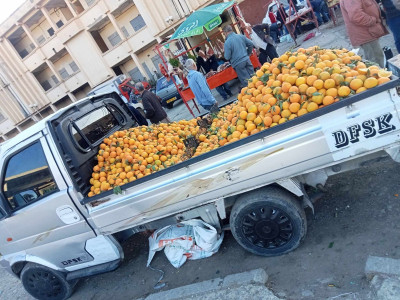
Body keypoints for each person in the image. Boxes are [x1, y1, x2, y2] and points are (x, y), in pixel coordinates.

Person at [340, 0, 388, 67]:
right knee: (375, 61)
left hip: (368, 32)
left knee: (377, 58)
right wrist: (372, 20)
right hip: (365, 34)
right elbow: (356, 16)